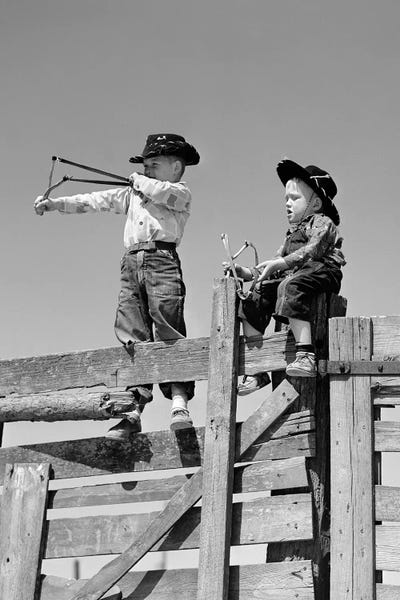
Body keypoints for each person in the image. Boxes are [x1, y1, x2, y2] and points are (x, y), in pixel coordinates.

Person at [34, 133, 200, 437]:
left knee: (168, 327)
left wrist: (139, 180)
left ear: (176, 167)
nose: (146, 169)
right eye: (145, 165)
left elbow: (162, 193)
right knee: (132, 332)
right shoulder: (134, 193)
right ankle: (133, 407)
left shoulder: (179, 192)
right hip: (131, 262)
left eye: (154, 164)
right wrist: (56, 203)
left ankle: (179, 400)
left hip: (162, 259)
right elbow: (96, 200)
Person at [225, 158, 345, 394]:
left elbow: (313, 250)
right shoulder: (291, 233)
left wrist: (282, 263)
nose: (288, 204)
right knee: (255, 294)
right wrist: (249, 273)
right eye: (286, 199)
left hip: (323, 270)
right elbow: (277, 262)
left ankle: (306, 354)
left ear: (316, 203)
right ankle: (256, 369)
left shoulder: (323, 223)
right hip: (298, 272)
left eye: (295, 198)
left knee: (291, 285)